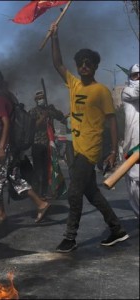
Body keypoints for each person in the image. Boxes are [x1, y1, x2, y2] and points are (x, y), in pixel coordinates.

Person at [49, 22, 129, 253]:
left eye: (89, 63)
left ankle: (70, 237)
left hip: (90, 148)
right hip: (75, 147)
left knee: (74, 193)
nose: (84, 66)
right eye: (81, 63)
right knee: (90, 193)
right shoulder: (73, 84)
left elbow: (112, 120)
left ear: (94, 67)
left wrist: (113, 151)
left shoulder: (101, 91)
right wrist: (55, 37)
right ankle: (117, 229)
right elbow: (57, 64)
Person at [0, 68, 51, 224]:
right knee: (14, 177)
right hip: (11, 145)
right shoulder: (8, 95)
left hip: (2, 144)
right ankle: (40, 204)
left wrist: (0, 147)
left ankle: (2, 213)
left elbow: (5, 123)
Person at [29, 90, 66, 198]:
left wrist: (54, 110)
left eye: (43, 97)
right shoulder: (33, 112)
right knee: (38, 170)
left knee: (48, 169)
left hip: (48, 144)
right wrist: (43, 117)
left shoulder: (49, 110)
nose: (42, 100)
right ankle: (37, 191)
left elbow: (61, 117)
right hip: (37, 144)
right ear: (36, 100)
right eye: (39, 98)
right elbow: (32, 127)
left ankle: (45, 191)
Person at [121, 64, 139, 218]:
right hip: (133, 143)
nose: (138, 78)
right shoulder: (127, 91)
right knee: (134, 181)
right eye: (135, 75)